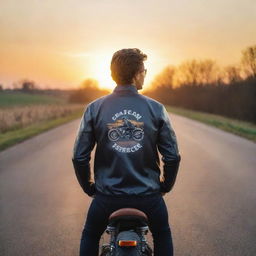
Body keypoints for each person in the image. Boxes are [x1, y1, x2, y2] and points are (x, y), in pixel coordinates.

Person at [72, 48, 181, 256]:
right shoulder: (156, 109)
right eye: (144, 71)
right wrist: (165, 185)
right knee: (162, 234)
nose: (145, 75)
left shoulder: (94, 108)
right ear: (136, 74)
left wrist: (89, 188)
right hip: (149, 197)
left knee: (91, 235)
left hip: (106, 197)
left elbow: (79, 156)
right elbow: (172, 156)